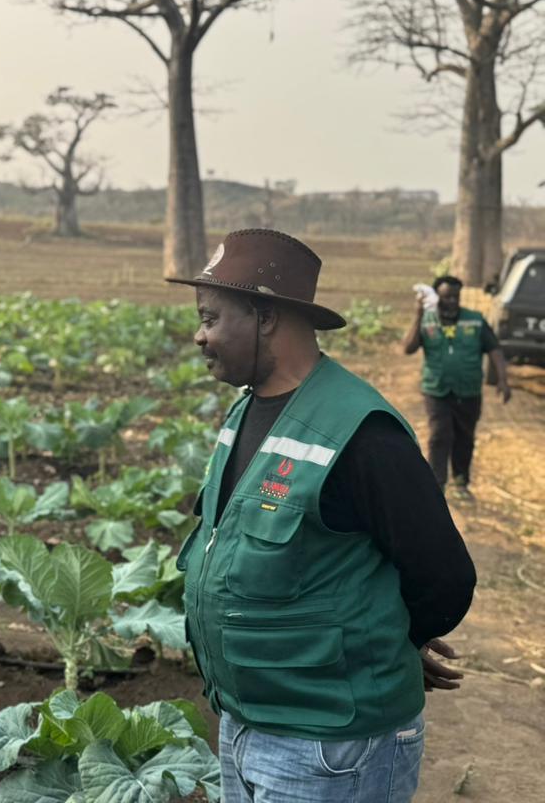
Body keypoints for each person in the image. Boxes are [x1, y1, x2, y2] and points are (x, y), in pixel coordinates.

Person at [169, 228, 476, 803]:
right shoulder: (244, 413)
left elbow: (445, 577)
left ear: (265, 316)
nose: (199, 335)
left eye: (210, 318)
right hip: (243, 723)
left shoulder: (363, 434)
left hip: (330, 750)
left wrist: (390, 643)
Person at [402, 274, 512, 496]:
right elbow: (408, 348)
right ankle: (437, 484)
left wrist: (503, 379)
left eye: (455, 297)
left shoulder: (475, 320)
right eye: (446, 297)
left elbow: (494, 349)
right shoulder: (427, 320)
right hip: (437, 389)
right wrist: (418, 315)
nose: (452, 301)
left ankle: (461, 482)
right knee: (439, 435)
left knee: (465, 436)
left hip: (468, 391)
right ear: (436, 297)